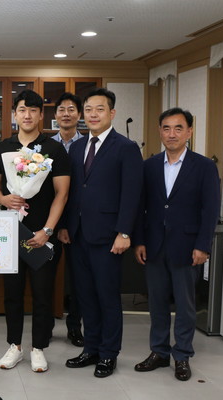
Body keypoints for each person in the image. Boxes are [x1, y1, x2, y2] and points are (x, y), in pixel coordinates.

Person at [59, 88, 143, 378]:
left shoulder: (126, 147)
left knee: (107, 297)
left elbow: (132, 194)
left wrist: (124, 232)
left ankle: (108, 354)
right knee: (85, 296)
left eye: (100, 109)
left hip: (109, 236)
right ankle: (91, 348)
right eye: (89, 110)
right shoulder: (78, 147)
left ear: (112, 113)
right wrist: (66, 225)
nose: (93, 115)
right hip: (78, 234)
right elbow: (73, 192)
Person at [133, 108, 220, 381]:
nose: (172, 134)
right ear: (160, 131)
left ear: (189, 132)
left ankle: (182, 355)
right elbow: (140, 207)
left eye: (178, 128)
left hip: (188, 246)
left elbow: (210, 210)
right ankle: (159, 352)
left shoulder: (204, 166)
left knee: (185, 305)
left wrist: (203, 245)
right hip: (154, 245)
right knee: (157, 303)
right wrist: (139, 241)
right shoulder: (149, 165)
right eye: (167, 128)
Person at [0, 89, 70, 372]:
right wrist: (3, 199)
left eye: (33, 110)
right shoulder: (3, 148)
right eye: (22, 109)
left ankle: (38, 348)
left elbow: (62, 194)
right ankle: (15, 346)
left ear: (40, 115)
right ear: (14, 114)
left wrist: (48, 230)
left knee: (42, 293)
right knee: (12, 293)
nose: (27, 115)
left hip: (41, 234)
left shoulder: (54, 149)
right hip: (11, 232)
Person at [51, 92, 84, 347]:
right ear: (54, 115)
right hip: (49, 221)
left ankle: (75, 327)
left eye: (71, 109)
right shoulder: (45, 146)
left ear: (79, 115)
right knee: (46, 277)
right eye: (61, 109)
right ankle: (46, 326)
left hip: (79, 223)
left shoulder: (87, 146)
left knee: (77, 279)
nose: (66, 114)